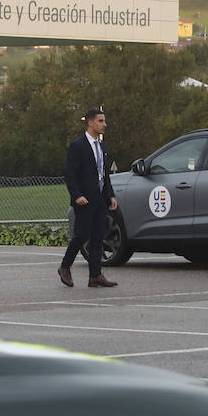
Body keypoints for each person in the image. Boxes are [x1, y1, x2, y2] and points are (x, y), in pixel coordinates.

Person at [60, 108, 118, 288]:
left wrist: (110, 195)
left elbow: (105, 174)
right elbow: (70, 174)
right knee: (81, 235)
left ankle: (95, 275)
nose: (104, 124)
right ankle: (65, 266)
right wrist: (77, 195)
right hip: (84, 199)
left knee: (98, 237)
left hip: (100, 198)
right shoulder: (78, 145)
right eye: (101, 121)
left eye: (104, 121)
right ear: (90, 122)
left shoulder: (102, 146)